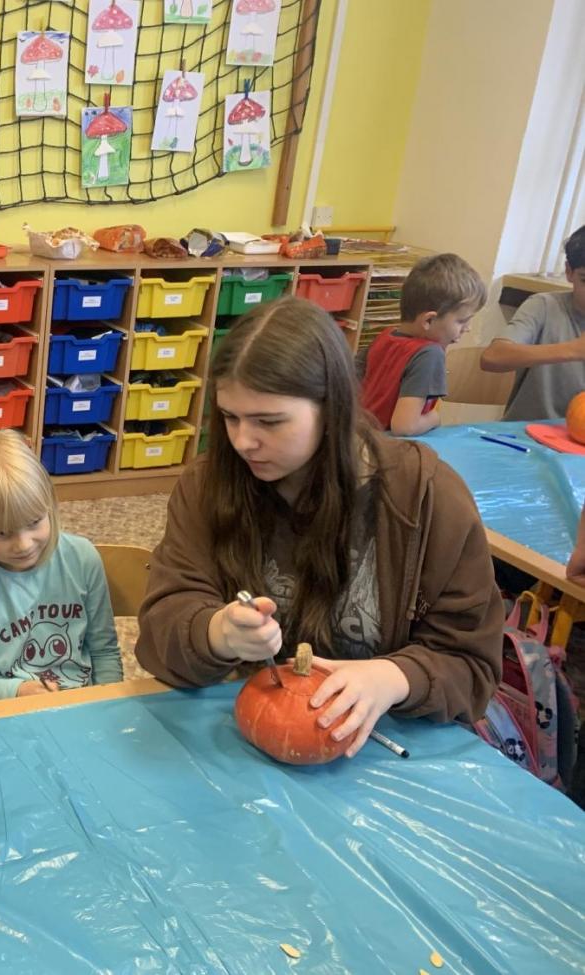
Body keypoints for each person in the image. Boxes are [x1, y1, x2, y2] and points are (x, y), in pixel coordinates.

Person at [137, 298, 502, 757]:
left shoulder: (428, 498)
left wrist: (393, 677)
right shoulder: (209, 486)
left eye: (270, 422)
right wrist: (216, 633)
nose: (243, 441)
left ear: (331, 409)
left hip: (386, 749)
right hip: (248, 740)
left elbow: (474, 668)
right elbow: (159, 634)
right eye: (230, 417)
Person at [0, 430, 123, 704]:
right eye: (0, 533)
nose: (23, 545)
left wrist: (109, 707)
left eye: (35, 521)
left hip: (81, 710)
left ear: (49, 505)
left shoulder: (82, 558)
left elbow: (104, 651)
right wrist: (16, 691)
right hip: (5, 714)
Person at [359, 253, 486, 434]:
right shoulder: (429, 355)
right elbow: (405, 426)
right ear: (428, 320)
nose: (468, 328)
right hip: (387, 449)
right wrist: (434, 418)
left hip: (359, 440)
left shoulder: (384, 336)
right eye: (462, 321)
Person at [480, 225, 585, 420]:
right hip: (527, 436)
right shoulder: (544, 306)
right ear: (569, 272)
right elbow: (492, 357)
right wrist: (572, 350)